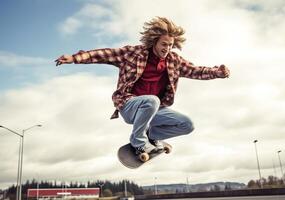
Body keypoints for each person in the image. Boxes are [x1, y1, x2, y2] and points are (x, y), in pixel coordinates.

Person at [55, 17, 230, 155]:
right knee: (151, 100)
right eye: (163, 44)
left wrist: (217, 72)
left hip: (154, 110)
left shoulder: (174, 60)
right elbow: (104, 54)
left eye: (170, 45)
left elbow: (195, 71)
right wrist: (75, 58)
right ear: (154, 41)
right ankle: (138, 142)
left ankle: (151, 136)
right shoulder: (133, 53)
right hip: (130, 106)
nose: (167, 48)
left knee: (187, 124)